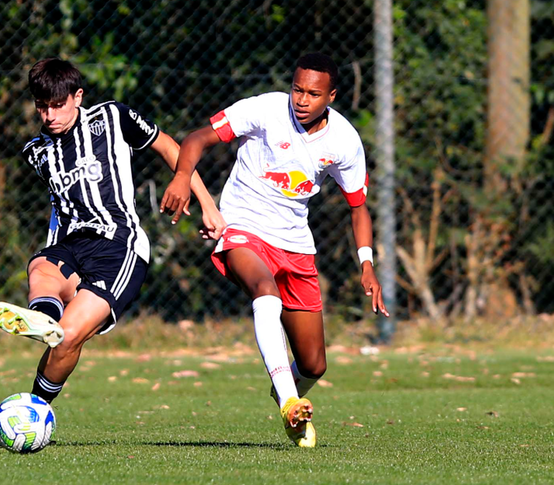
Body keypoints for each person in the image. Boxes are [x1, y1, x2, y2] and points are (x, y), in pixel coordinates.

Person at [160, 52, 389, 448]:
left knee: (315, 363)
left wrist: (366, 264)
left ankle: (287, 389)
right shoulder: (265, 109)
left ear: (331, 96)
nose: (301, 100)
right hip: (243, 227)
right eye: (297, 89)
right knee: (265, 291)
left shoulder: (345, 141)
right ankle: (288, 402)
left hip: (295, 245)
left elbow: (358, 208)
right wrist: (182, 178)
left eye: (313, 94)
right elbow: (198, 138)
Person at [0, 57, 225, 406]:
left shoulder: (112, 118)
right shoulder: (36, 152)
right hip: (69, 244)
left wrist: (206, 203)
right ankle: (44, 316)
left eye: (58, 105)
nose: (50, 116)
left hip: (117, 246)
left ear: (78, 96)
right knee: (40, 267)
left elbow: (168, 146)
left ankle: (35, 407)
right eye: (42, 108)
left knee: (68, 338)